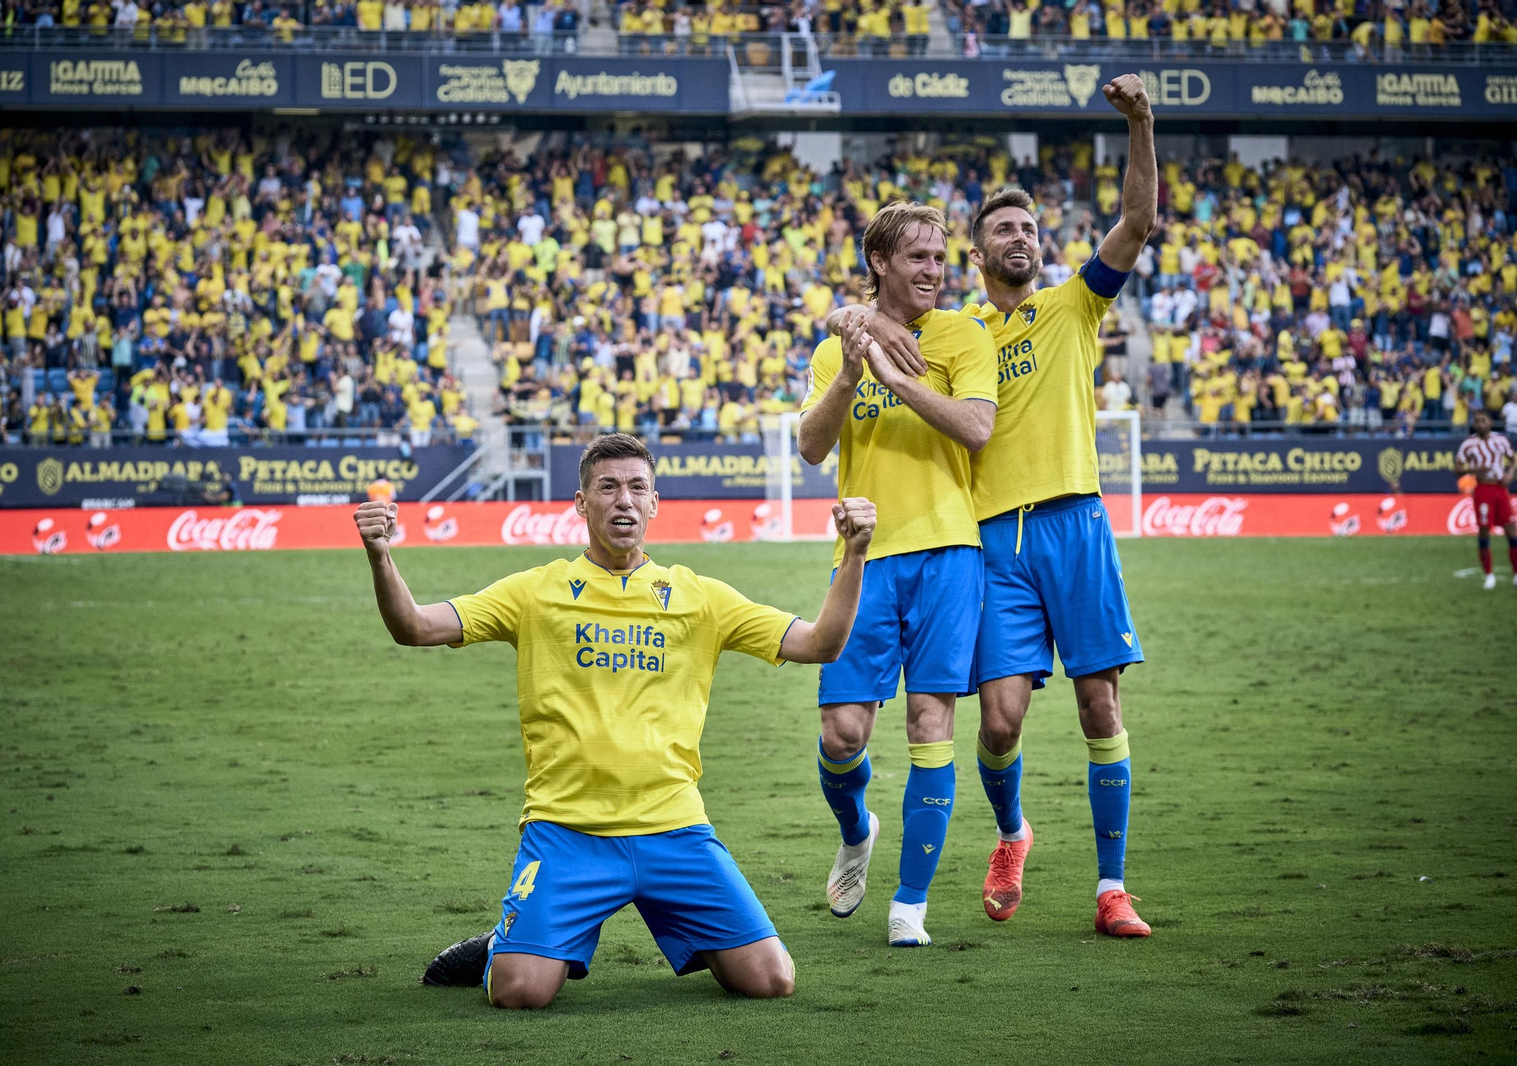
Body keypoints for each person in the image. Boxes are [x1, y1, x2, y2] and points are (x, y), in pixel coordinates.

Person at [359, 433, 877, 1008]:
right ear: (582, 504)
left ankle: (681, 932)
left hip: (675, 829)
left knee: (771, 981)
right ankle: (507, 944)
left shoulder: (701, 597)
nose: (623, 499)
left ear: (655, 502)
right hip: (568, 830)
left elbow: (820, 644)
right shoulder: (535, 592)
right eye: (607, 487)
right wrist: (381, 555)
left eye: (636, 487)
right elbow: (415, 627)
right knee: (519, 992)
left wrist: (854, 554)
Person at [835, 73, 1157, 939]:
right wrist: (858, 317)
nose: (1022, 238)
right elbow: (864, 313)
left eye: (1031, 229)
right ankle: (1012, 833)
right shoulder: (957, 330)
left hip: (1075, 521)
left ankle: (1111, 890)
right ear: (975, 255)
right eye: (1005, 230)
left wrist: (1140, 122)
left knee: (1100, 707)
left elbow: (1137, 222)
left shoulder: (1075, 303)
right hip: (989, 541)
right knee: (1001, 723)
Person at [797, 201, 997, 947]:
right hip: (865, 555)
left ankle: (909, 904)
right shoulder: (837, 348)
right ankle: (857, 829)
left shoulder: (963, 334)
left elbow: (977, 428)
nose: (933, 270)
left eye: (940, 258)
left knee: (929, 722)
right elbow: (811, 447)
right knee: (842, 731)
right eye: (917, 256)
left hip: (950, 551)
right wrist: (854, 372)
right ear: (880, 262)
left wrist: (895, 375)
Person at [1454, 408, 1516, 591]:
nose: (1480, 424)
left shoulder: (1501, 440)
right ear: (1474, 424)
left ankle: (1516, 573)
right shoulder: (1469, 444)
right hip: (1482, 489)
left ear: (1490, 422)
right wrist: (1473, 470)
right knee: (1483, 531)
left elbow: (1512, 460)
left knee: (1512, 532)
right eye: (1477, 421)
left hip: (1500, 488)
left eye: (1483, 420)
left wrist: (1509, 475)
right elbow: (1457, 469)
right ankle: (1489, 575)